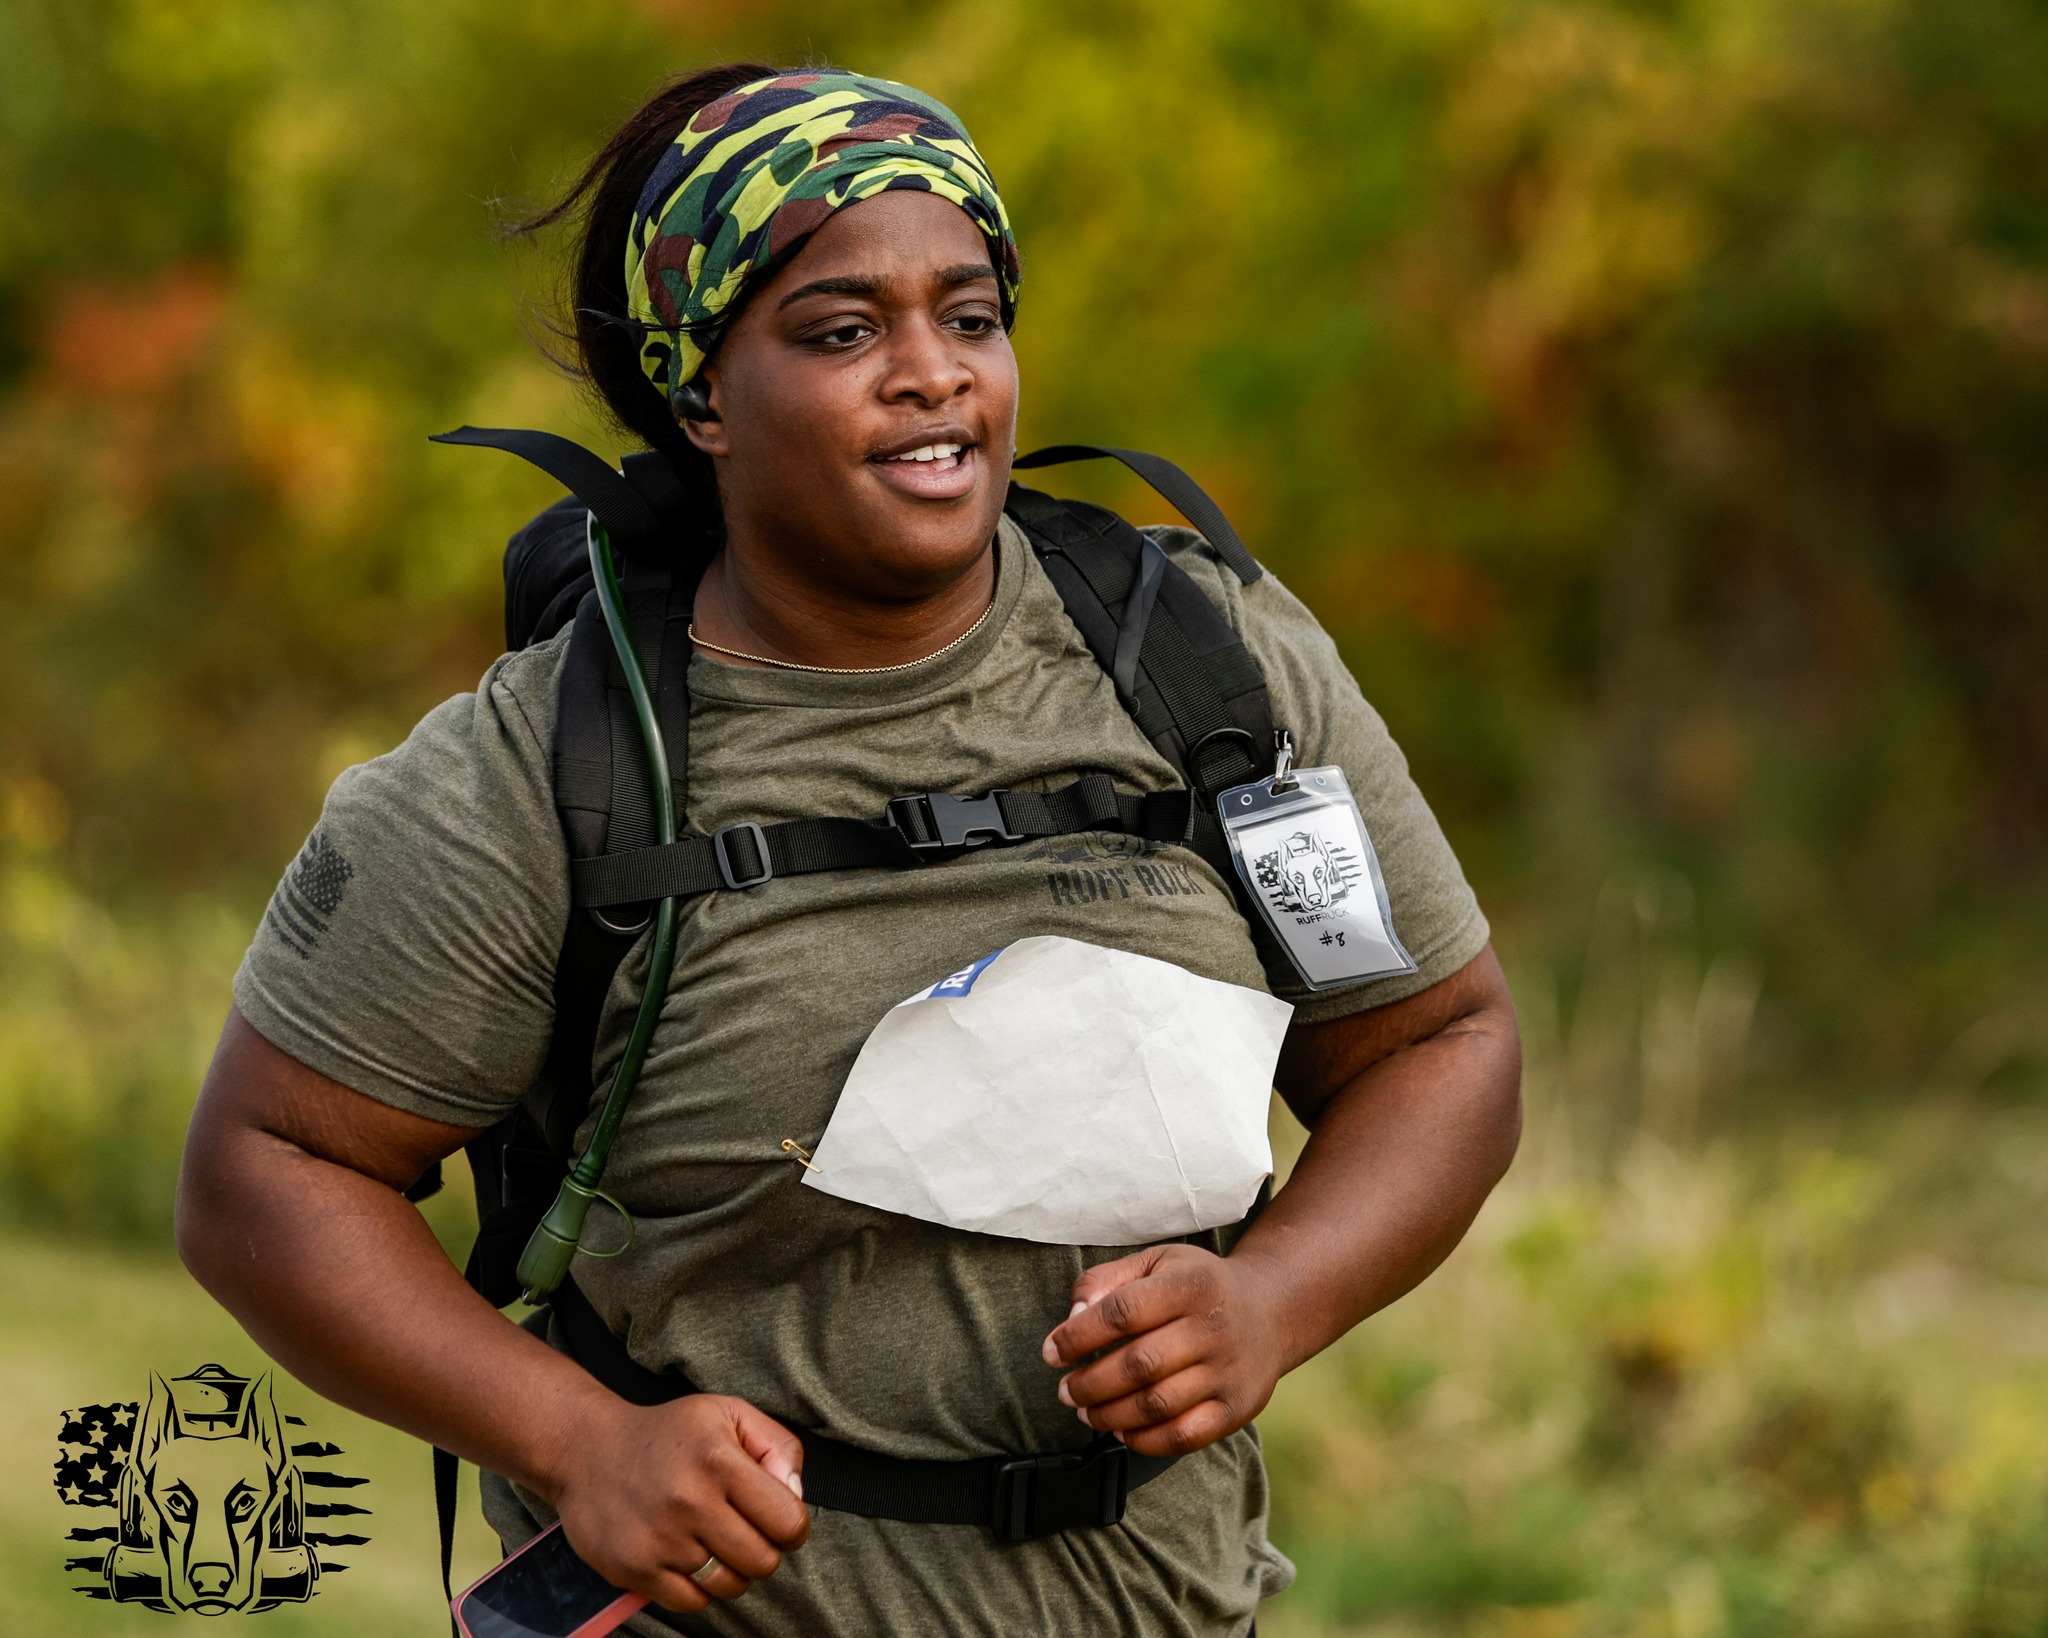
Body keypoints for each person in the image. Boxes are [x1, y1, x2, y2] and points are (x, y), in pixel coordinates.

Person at [176, 63, 1522, 1637]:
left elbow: (1440, 1037)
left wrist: (1274, 1300)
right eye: (841, 332)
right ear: (700, 398)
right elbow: (266, 1167)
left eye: (969, 315)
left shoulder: (1213, 678)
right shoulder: (540, 773)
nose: (930, 375)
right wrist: (577, 1439)